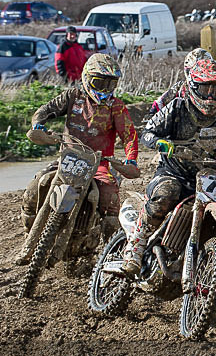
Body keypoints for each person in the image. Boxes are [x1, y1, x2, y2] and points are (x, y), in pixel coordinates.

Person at [121, 59, 216, 315]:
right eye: (205, 89)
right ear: (193, 87)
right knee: (164, 196)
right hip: (175, 173)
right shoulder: (177, 108)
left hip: (208, 178)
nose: (211, 96)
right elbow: (148, 132)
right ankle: (134, 250)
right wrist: (161, 143)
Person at [17, 53, 138, 264]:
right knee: (35, 186)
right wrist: (38, 124)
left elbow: (129, 135)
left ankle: (113, 255)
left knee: (110, 198)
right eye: (99, 83)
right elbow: (45, 110)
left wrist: (131, 159)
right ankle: (30, 236)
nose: (104, 89)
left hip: (98, 163)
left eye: (110, 84)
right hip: (68, 159)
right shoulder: (73, 96)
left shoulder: (116, 107)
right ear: (87, 78)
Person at [149, 48, 216, 115]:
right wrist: (152, 114)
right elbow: (160, 102)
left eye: (201, 70)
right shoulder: (180, 88)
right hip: (184, 128)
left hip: (214, 126)